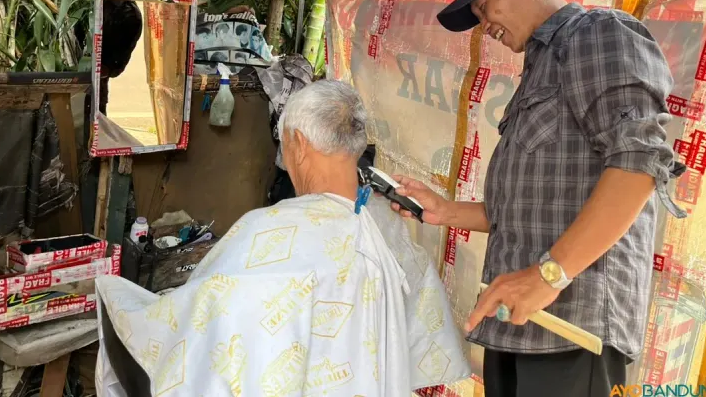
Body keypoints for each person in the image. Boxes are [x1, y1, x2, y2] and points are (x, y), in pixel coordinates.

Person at [390, 0, 685, 397]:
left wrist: (549, 274)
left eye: (485, 8)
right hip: (516, 326)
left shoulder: (597, 33)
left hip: (572, 330)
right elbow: (523, 209)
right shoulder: (540, 68)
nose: (485, 26)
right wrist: (446, 211)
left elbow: (640, 161)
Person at [94, 80, 471, 397]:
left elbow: (202, 328)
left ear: (300, 144)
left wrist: (118, 298)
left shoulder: (264, 230)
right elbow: (425, 326)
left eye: (284, 145)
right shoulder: (385, 228)